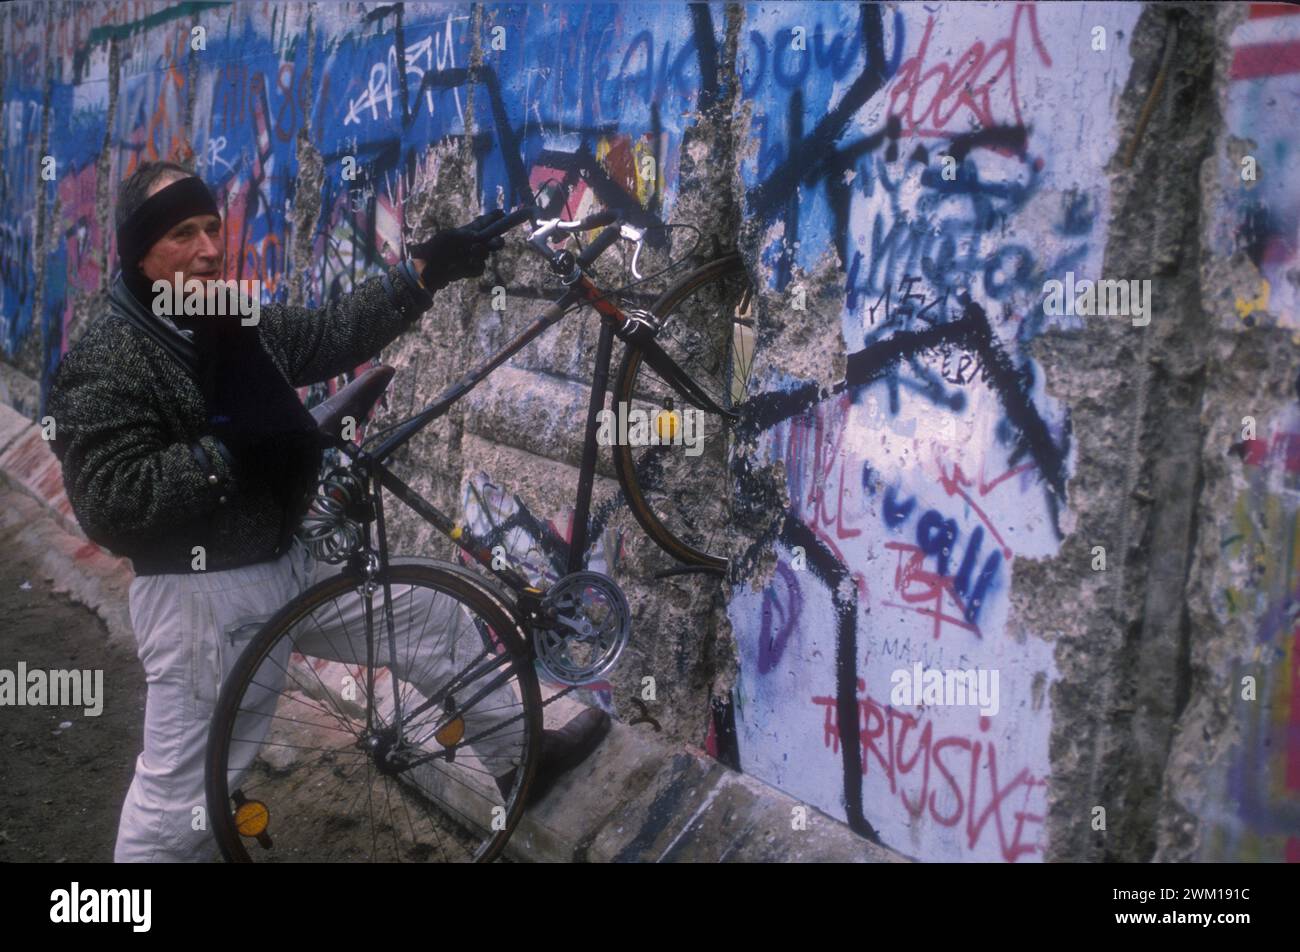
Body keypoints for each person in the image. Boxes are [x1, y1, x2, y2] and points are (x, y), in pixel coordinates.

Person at [46, 160, 609, 861]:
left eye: (213, 229)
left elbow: (325, 334)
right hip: (202, 601)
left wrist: (421, 276)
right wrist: (229, 456)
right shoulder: (110, 357)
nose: (209, 250)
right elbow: (109, 501)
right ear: (138, 252)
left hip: (288, 559)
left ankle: (521, 753)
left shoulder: (227, 317)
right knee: (177, 811)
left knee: (428, 616)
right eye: (183, 234)